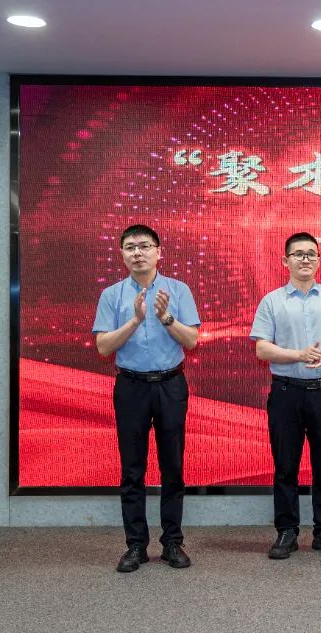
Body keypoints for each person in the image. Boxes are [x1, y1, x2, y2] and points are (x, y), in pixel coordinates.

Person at [93, 224, 200, 573]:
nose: (137, 252)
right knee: (132, 469)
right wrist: (135, 321)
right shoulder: (112, 295)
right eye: (130, 247)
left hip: (170, 385)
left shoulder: (178, 290)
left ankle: (172, 543)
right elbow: (103, 346)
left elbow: (191, 340)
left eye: (144, 246)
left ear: (158, 252)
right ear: (122, 254)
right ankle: (136, 546)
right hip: (131, 387)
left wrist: (166, 318)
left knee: (173, 467)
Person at [250, 232, 321, 560]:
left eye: (311, 253)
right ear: (285, 261)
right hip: (286, 393)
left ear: (319, 260)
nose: (305, 259)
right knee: (285, 464)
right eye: (298, 254)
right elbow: (261, 348)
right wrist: (298, 355)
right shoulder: (272, 301)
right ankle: (286, 531)